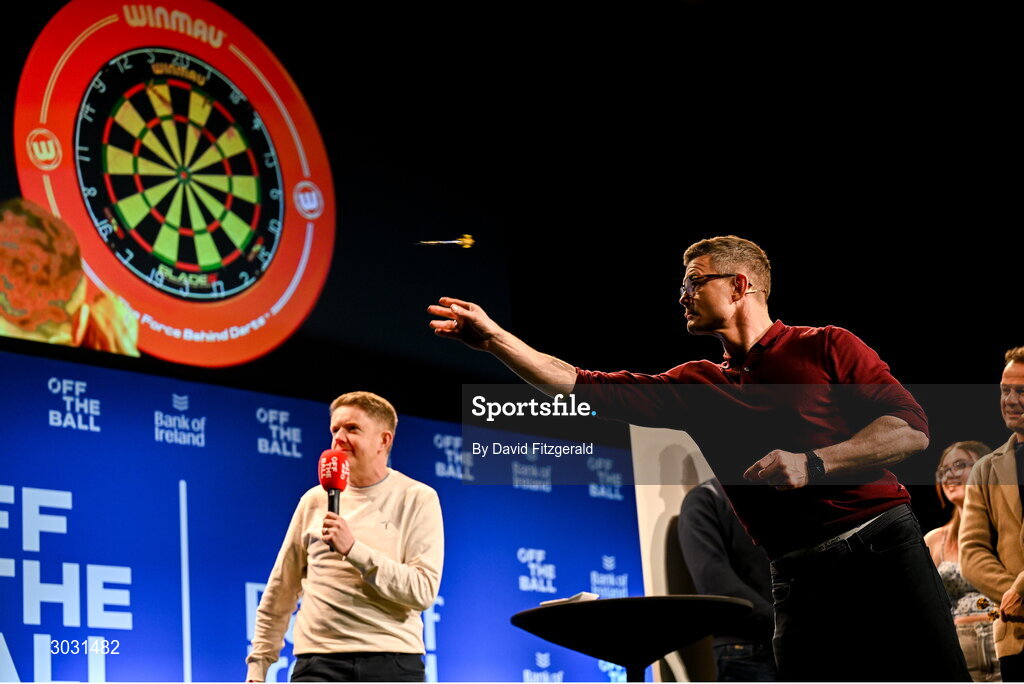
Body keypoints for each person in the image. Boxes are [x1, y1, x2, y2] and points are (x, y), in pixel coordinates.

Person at [429, 235, 969, 681]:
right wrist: (496, 340)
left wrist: (814, 462)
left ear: (740, 285)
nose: (680, 296)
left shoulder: (826, 344)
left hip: (881, 548)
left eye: (693, 282)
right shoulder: (697, 385)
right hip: (799, 578)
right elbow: (577, 383)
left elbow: (911, 430)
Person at [246, 391, 444, 682]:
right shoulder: (314, 500)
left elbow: (422, 591)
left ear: (384, 440)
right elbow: (281, 590)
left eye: (352, 429)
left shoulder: (417, 498)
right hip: (318, 664)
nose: (338, 438)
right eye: (334, 429)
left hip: (392, 662)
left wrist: (354, 549)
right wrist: (258, 667)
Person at [961, 347, 1024, 680]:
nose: (1010, 400)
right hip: (1016, 637)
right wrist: (1014, 596)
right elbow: (971, 553)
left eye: (1022, 391)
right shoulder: (986, 469)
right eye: (1005, 390)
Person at [678, 478, 777, 682]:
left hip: (797, 644)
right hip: (748, 649)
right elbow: (715, 584)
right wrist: (784, 621)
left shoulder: (780, 492)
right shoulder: (706, 498)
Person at [925, 441, 1000, 682]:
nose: (950, 474)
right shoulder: (935, 541)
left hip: (1008, 642)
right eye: (944, 469)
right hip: (960, 654)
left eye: (959, 465)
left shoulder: (1010, 529)